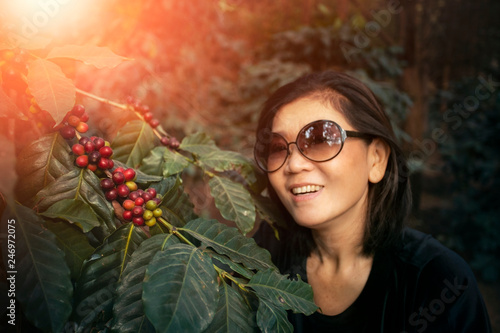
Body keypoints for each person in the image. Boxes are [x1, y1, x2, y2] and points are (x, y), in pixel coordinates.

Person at [253, 71, 492, 332]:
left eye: (321, 139)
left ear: (376, 159)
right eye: (277, 148)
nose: (294, 164)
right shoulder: (263, 255)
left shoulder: (438, 282)